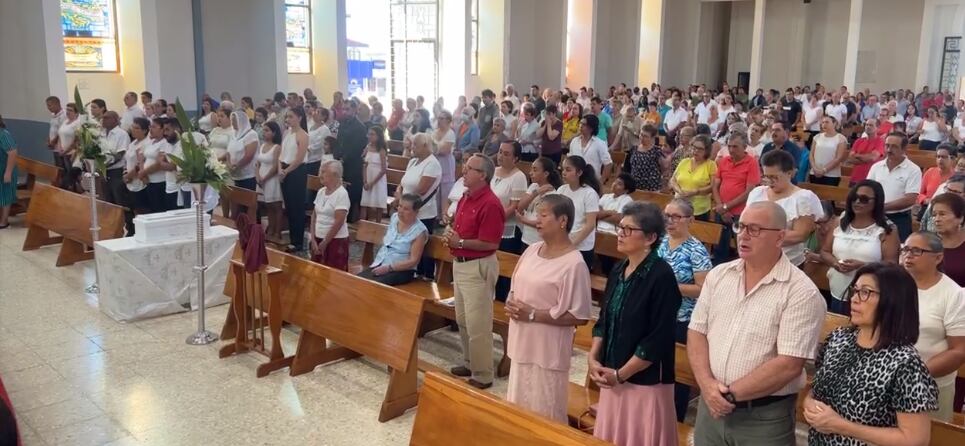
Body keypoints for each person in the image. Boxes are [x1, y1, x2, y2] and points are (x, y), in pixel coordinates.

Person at [689, 201, 826, 444]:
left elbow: (789, 364)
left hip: (763, 418)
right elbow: (697, 332)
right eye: (741, 227)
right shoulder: (719, 275)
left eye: (755, 229)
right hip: (710, 406)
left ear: (779, 237)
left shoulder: (801, 292)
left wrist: (728, 397)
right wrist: (708, 387)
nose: (743, 235)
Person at [804, 263, 938, 445]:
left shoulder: (905, 362)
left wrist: (841, 426)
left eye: (866, 292)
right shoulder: (838, 338)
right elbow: (817, 388)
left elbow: (915, 439)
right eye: (855, 290)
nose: (855, 299)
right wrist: (809, 402)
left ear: (893, 300)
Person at [591, 201, 681, 445]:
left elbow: (657, 339)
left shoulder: (661, 276)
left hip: (644, 382)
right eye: (620, 227)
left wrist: (622, 374)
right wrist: (593, 358)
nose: (620, 233)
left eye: (628, 230)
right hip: (613, 374)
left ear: (650, 237)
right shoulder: (619, 269)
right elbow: (603, 319)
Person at [504, 194, 592, 422]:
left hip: (547, 349)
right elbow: (516, 285)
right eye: (537, 214)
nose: (537, 220)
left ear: (562, 221)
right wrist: (511, 303)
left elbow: (579, 315)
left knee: (544, 411)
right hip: (522, 341)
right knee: (517, 408)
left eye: (543, 215)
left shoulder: (574, 264)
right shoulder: (532, 250)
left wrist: (533, 314)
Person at [444, 154, 505, 389]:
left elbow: (491, 243)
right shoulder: (465, 197)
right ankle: (470, 362)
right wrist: (450, 236)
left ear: (483, 175)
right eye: (465, 166)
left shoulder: (490, 204)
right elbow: (459, 231)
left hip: (478, 266)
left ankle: (483, 373)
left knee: (478, 323)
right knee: (462, 319)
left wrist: (459, 243)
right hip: (460, 264)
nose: (464, 170)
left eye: (470, 168)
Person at [657, 198, 713, 422]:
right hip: (656, 314)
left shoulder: (696, 250)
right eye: (666, 216)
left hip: (682, 318)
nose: (670, 221)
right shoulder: (660, 242)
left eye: (676, 217)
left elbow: (702, 289)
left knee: (676, 371)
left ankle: (674, 420)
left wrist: (669, 286)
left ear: (690, 220)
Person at [900, 231, 965, 421]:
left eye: (916, 251)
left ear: (938, 257)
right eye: (905, 250)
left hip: (929, 385)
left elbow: (959, 350)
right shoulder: (894, 284)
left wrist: (915, 375)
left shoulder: (954, 295)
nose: (908, 255)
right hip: (885, 380)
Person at [819, 180, 899, 315]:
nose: (857, 202)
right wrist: (835, 263)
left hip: (868, 295)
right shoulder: (840, 222)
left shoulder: (887, 229)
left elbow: (891, 264)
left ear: (877, 202)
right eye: (854, 198)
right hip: (838, 290)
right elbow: (825, 251)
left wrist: (863, 266)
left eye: (864, 199)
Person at [746, 150, 824, 266]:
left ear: (789, 173)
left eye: (775, 177)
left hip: (788, 262)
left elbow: (800, 235)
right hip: (756, 258)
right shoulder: (757, 193)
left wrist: (762, 236)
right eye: (767, 177)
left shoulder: (803, 198)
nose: (770, 182)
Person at [397, 133, 441, 280]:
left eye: (415, 144)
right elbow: (403, 182)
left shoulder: (432, 164)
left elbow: (422, 189)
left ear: (425, 146)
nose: (412, 147)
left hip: (423, 212)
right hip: (407, 208)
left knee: (422, 247)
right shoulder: (413, 161)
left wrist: (403, 199)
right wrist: (399, 193)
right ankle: (409, 271)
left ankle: (425, 276)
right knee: (408, 243)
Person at [358, 193, 428, 286]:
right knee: (357, 282)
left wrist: (389, 268)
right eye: (400, 206)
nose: (400, 211)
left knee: (373, 286)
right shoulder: (394, 218)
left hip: (402, 270)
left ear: (416, 212)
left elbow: (413, 261)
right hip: (381, 263)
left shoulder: (419, 231)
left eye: (406, 209)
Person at [712, 131, 760, 263]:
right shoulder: (724, 161)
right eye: (729, 146)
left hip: (740, 213)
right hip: (721, 210)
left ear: (745, 147)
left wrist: (726, 207)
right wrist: (720, 207)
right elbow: (715, 185)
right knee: (719, 246)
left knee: (741, 246)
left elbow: (749, 191)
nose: (731, 150)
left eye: (735, 147)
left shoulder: (751, 163)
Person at [867, 132, 922, 241]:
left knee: (898, 251)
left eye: (894, 146)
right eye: (887, 145)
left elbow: (910, 199)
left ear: (904, 149)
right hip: (875, 216)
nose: (889, 150)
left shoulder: (913, 170)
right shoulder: (876, 167)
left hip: (899, 219)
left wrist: (881, 207)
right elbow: (868, 190)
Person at [491, 141, 529, 296]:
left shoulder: (519, 177)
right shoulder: (493, 171)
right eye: (500, 152)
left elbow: (514, 206)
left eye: (506, 154)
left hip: (508, 231)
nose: (501, 156)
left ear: (515, 158)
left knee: (503, 272)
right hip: (489, 227)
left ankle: (501, 301)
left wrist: (496, 220)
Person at [557, 156, 601, 267]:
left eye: (568, 170)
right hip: (562, 242)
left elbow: (590, 225)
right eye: (563, 169)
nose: (563, 173)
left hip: (581, 247)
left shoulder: (589, 193)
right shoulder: (561, 190)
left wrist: (571, 245)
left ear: (579, 172)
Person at [309, 160, 350, 270]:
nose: (320, 175)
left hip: (335, 241)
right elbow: (314, 215)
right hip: (318, 239)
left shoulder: (342, 194)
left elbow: (339, 222)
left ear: (335, 175)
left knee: (333, 276)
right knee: (316, 274)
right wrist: (312, 238)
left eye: (323, 172)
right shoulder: (321, 191)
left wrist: (325, 242)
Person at [279, 106, 310, 253]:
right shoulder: (286, 133)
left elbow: (299, 158)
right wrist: (280, 168)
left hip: (296, 171)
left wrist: (286, 171)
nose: (288, 119)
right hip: (285, 169)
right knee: (289, 207)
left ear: (299, 118)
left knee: (296, 207)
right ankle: (292, 238)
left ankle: (298, 241)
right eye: (287, 117)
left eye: (291, 116)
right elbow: (282, 152)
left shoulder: (302, 135)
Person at [516, 157, 563, 251]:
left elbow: (544, 222)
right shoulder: (534, 187)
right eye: (531, 169)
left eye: (535, 170)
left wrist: (524, 221)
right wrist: (536, 193)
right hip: (526, 237)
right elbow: (520, 207)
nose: (530, 173)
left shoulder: (552, 194)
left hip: (539, 241)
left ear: (546, 174)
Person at [98, 111, 133, 233]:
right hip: (105, 172)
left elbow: (120, 154)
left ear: (115, 119)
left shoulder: (121, 134)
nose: (103, 120)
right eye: (103, 118)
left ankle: (130, 228)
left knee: (121, 201)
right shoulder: (102, 134)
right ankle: (114, 229)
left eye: (106, 118)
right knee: (109, 202)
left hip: (116, 171)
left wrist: (104, 165)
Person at [334, 100, 368, 223]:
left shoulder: (360, 127)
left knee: (352, 194)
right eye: (343, 109)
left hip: (353, 165)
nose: (345, 112)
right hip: (341, 162)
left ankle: (351, 221)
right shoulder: (343, 123)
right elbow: (339, 141)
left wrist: (344, 159)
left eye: (347, 109)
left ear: (354, 110)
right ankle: (341, 219)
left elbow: (356, 147)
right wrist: (336, 156)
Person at [670, 134, 717, 220]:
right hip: (680, 205)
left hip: (699, 209)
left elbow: (712, 186)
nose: (696, 151)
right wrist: (679, 191)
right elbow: (673, 180)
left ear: (706, 150)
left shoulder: (711, 165)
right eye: (694, 147)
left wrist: (695, 192)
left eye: (700, 149)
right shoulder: (684, 162)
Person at [256, 121, 284, 242]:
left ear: (274, 132)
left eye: (267, 130)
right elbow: (258, 163)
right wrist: (258, 176)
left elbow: (274, 166)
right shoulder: (262, 146)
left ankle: (277, 232)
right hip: (262, 179)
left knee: (276, 206)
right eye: (264, 130)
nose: (264, 133)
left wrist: (265, 178)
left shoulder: (277, 147)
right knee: (268, 206)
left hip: (272, 180)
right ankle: (270, 229)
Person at [568, 114, 613, 184]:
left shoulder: (599, 143)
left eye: (584, 124)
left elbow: (608, 164)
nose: (580, 126)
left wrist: (601, 181)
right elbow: (570, 160)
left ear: (591, 128)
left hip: (592, 181)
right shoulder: (574, 141)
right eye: (580, 123)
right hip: (575, 180)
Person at [623, 124, 667, 192]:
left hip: (651, 189)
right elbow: (627, 168)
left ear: (652, 138)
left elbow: (664, 170)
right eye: (641, 134)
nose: (642, 138)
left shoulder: (657, 151)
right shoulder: (633, 149)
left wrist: (663, 187)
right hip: (635, 188)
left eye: (645, 136)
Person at [226, 109, 258, 199]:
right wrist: (229, 164)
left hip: (248, 175)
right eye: (232, 121)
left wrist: (237, 166)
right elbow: (228, 151)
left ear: (241, 121)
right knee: (236, 201)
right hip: (234, 175)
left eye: (235, 121)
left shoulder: (251, 134)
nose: (232, 123)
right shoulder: (233, 134)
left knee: (247, 202)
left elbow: (249, 155)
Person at [808, 116, 849, 186]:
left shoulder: (841, 138)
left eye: (827, 122)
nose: (824, 124)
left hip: (831, 175)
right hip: (815, 172)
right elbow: (811, 154)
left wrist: (824, 170)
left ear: (835, 124)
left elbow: (838, 158)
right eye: (823, 122)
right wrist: (814, 168)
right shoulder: (817, 137)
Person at [360, 126, 388, 223]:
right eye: (369, 134)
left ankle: (377, 225)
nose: (369, 136)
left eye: (372, 134)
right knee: (364, 203)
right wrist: (365, 181)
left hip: (377, 179)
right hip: (368, 177)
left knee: (378, 204)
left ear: (378, 136)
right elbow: (364, 164)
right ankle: (362, 225)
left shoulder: (381, 150)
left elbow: (383, 169)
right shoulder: (368, 147)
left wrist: (372, 183)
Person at [919, 143, 955, 210]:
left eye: (944, 157)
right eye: (938, 157)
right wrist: (925, 200)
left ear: (952, 159)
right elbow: (919, 193)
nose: (940, 160)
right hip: (928, 207)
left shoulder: (957, 176)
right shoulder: (930, 171)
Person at [0, 116, 18, 229]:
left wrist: (8, 172)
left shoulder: (3, 134)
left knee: (5, 194)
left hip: (5, 169)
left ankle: (4, 221)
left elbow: (12, 152)